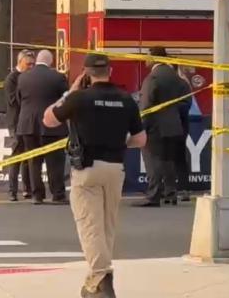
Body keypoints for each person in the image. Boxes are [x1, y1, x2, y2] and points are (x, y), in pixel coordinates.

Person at [43, 53, 146, 298]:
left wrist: (70, 91)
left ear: (86, 73)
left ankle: (101, 280)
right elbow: (140, 139)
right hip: (115, 168)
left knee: (90, 226)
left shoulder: (79, 98)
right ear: (110, 71)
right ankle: (94, 283)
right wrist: (118, 144)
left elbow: (48, 119)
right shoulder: (126, 100)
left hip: (87, 168)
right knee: (107, 226)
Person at [133, 47, 189, 207]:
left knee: (153, 159)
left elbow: (146, 105)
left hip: (155, 127)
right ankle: (170, 193)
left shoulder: (153, 78)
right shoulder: (177, 78)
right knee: (168, 160)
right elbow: (186, 101)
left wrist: (140, 126)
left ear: (154, 58)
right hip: (174, 125)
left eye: (147, 56)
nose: (145, 60)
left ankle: (153, 195)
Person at [17, 49, 69, 205]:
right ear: (50, 61)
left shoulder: (23, 77)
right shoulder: (58, 77)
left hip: (28, 125)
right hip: (52, 125)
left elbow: (19, 99)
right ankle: (57, 194)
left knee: (34, 162)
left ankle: (37, 195)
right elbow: (65, 100)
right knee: (55, 162)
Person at [4, 49, 35, 201]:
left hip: (28, 122)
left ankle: (27, 188)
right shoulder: (11, 79)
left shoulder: (30, 78)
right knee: (16, 156)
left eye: (33, 64)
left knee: (28, 156)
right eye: (28, 64)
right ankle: (12, 190)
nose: (31, 67)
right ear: (20, 62)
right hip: (16, 122)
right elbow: (12, 100)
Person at [175, 66, 193, 202]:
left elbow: (186, 105)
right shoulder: (184, 84)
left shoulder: (181, 85)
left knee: (179, 158)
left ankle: (182, 188)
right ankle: (180, 189)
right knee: (179, 158)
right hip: (180, 125)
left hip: (178, 126)